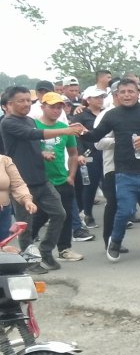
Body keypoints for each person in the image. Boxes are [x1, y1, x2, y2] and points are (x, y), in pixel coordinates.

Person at [81, 78, 140, 262]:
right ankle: (114, 242)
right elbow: (95, 137)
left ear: (138, 92)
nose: (126, 95)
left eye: (130, 91)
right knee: (124, 211)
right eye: (122, 92)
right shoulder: (111, 115)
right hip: (124, 172)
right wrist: (79, 131)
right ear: (116, 95)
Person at [1, 86, 84, 273]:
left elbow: (34, 143)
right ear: (9, 104)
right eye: (20, 101)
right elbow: (34, 135)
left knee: (60, 214)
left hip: (41, 178)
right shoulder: (8, 123)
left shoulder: (30, 120)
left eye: (28, 101)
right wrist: (65, 131)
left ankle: (45, 251)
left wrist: (43, 153)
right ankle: (30, 262)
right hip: (21, 183)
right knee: (26, 226)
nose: (25, 104)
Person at [32, 92, 85, 263]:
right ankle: (29, 241)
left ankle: (64, 249)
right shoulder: (33, 126)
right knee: (40, 214)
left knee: (66, 215)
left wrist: (71, 175)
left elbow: (73, 154)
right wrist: (41, 153)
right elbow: (26, 150)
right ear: (43, 107)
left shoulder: (64, 128)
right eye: (52, 107)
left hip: (61, 178)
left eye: (59, 107)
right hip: (40, 180)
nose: (56, 110)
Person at [72, 86, 106, 230]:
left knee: (109, 185)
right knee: (89, 185)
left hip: (106, 152)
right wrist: (79, 153)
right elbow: (75, 135)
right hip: (89, 154)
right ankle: (87, 214)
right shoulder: (81, 115)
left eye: (102, 97)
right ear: (88, 99)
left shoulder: (106, 114)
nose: (100, 100)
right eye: (97, 97)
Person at [0, 152, 37, 241]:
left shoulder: (4, 160)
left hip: (4, 212)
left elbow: (18, 185)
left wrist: (27, 200)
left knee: (2, 247)